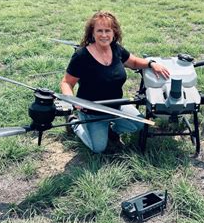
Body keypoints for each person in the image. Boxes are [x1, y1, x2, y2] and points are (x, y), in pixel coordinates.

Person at [60, 11, 170, 153]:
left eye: (108, 31)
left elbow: (135, 62)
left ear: (114, 33)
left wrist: (151, 64)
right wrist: (73, 101)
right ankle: (74, 123)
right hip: (92, 111)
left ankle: (112, 130)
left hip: (117, 106)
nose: (104, 35)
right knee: (98, 148)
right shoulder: (81, 56)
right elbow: (66, 83)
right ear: (92, 33)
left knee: (139, 125)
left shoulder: (116, 49)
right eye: (99, 31)